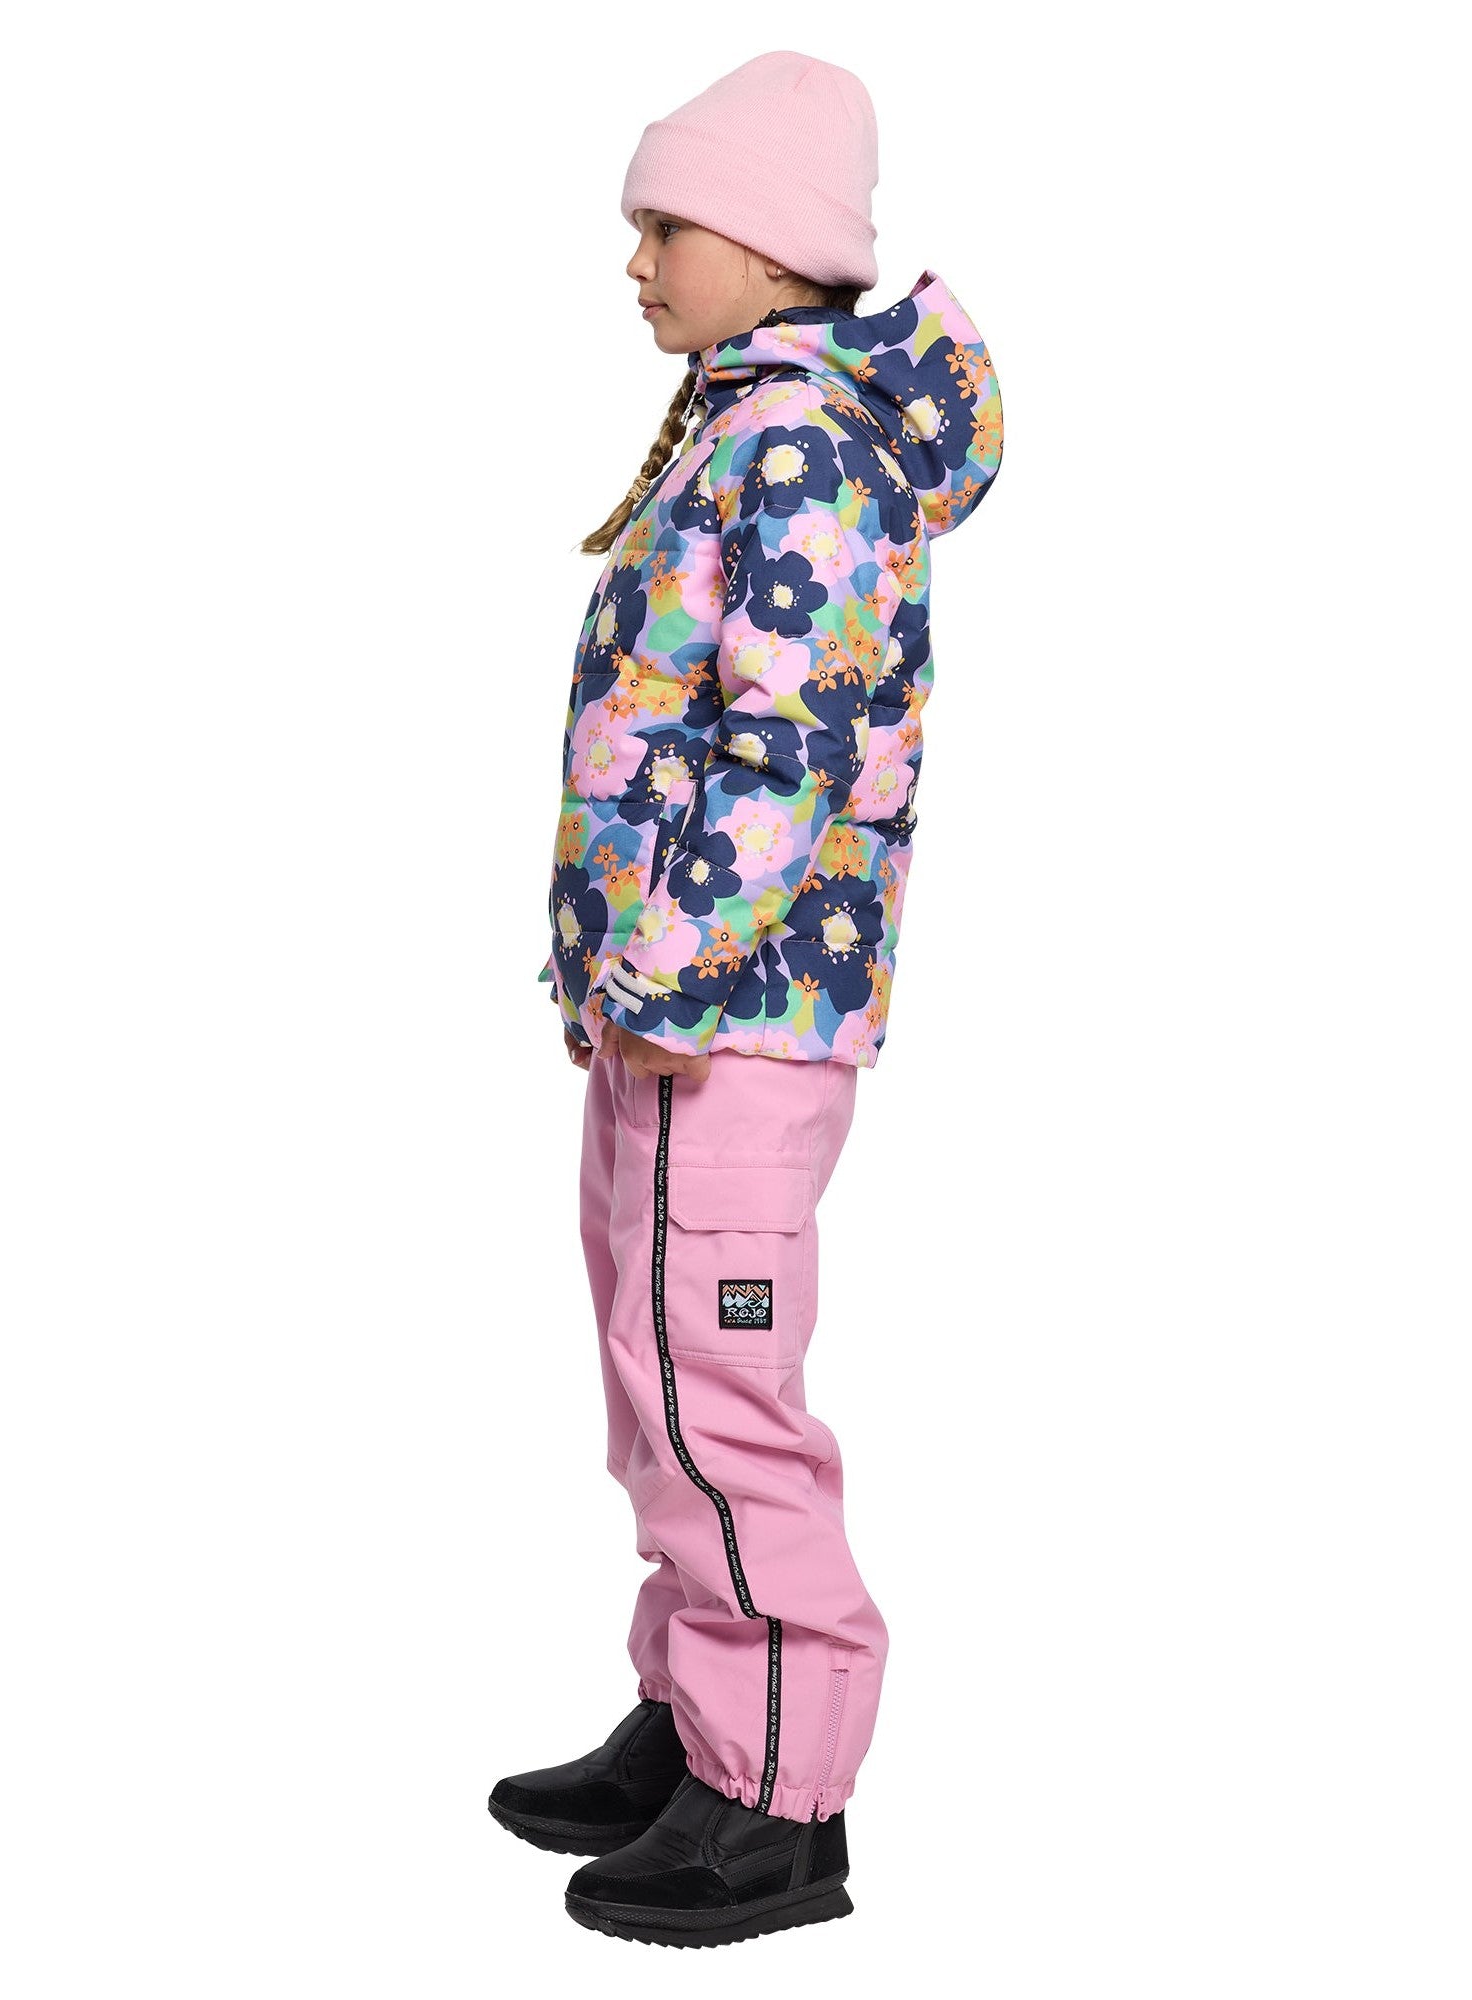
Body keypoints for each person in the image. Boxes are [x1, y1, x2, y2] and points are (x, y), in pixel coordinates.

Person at [488, 49, 1003, 1947]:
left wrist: (675, 962)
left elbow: (797, 746)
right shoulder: (739, 424)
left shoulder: (801, 449)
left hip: (734, 1015)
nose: (636, 263)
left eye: (666, 228)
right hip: (668, 1010)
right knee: (658, 1384)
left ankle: (782, 1803)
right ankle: (700, 1713)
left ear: (773, 247)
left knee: (722, 1395)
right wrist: (623, 970)